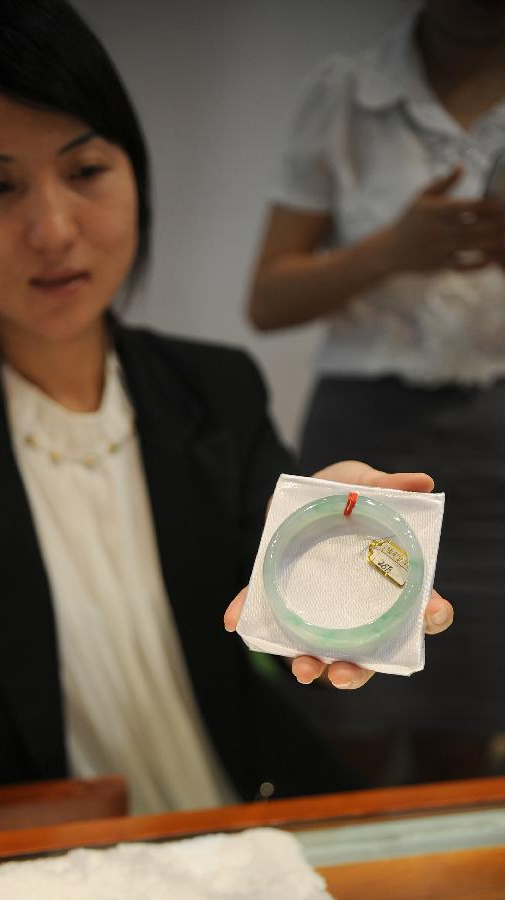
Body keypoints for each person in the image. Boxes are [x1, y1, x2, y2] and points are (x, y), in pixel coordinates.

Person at [0, 0, 452, 813]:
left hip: (247, 815)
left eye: (85, 172)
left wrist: (334, 528)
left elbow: (275, 590)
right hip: (37, 860)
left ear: (133, 172)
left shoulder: (215, 388)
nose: (52, 229)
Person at [247, 0, 504, 781]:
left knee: (470, 720)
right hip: (365, 429)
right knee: (342, 714)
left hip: (497, 437)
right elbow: (267, 298)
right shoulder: (348, 93)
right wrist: (391, 249)